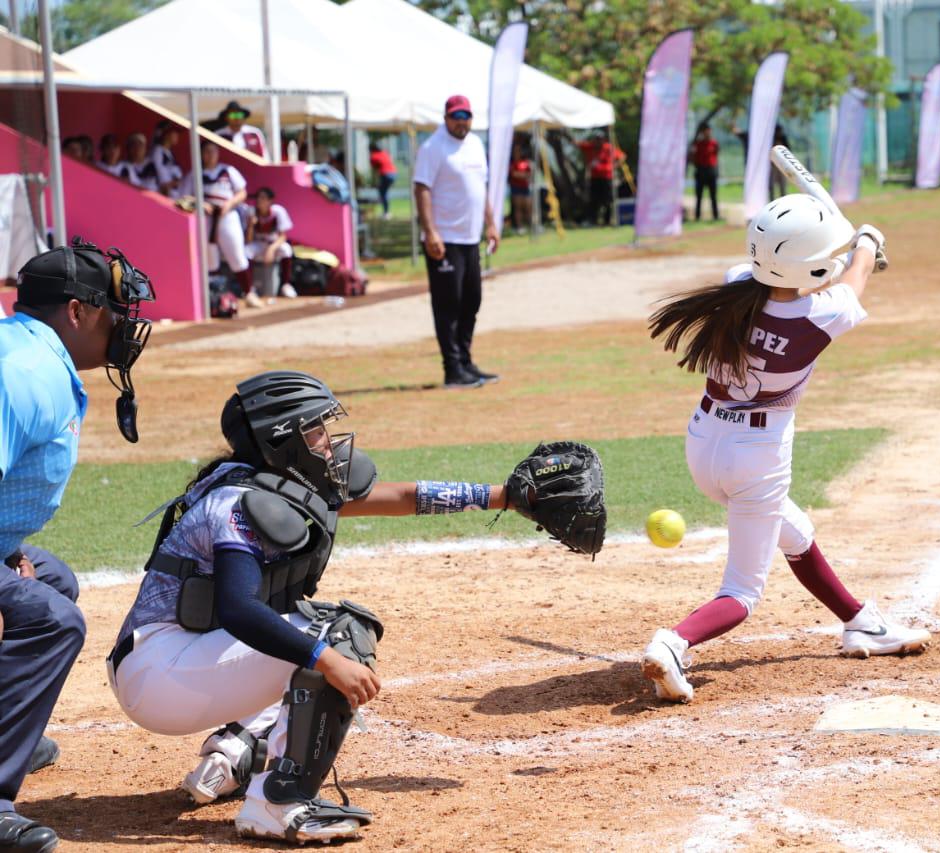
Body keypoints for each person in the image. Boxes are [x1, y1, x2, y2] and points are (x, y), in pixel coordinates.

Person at [107, 370, 595, 843]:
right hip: (163, 675)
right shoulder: (237, 503)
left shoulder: (280, 484)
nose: (328, 440)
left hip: (179, 664)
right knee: (337, 636)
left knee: (306, 631)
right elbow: (237, 610)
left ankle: (237, 750)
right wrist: (328, 658)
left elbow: (402, 497)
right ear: (282, 442)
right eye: (315, 431)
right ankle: (277, 805)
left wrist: (506, 497)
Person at [640, 196, 931, 704]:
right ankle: (673, 643)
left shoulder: (735, 287)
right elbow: (849, 277)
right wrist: (866, 241)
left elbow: (803, 274)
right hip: (756, 455)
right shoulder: (824, 313)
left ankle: (861, 622)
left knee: (794, 532)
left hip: (705, 444)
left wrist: (845, 253)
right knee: (743, 592)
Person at [1, 240, 155, 852]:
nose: (126, 326)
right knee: (51, 619)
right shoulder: (22, 373)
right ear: (76, 312)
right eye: (116, 311)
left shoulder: (27, 353)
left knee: (52, 578)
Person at [412, 94, 501, 389]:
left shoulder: (475, 144)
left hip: (469, 237)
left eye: (466, 116)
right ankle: (452, 369)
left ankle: (465, 361)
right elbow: (422, 189)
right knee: (448, 304)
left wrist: (491, 223)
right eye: (456, 116)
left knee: (471, 300)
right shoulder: (433, 147)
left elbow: (481, 188)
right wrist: (431, 231)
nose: (461, 122)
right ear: (446, 117)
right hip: (445, 238)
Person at [179, 140, 257, 307]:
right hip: (206, 218)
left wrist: (229, 204)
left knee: (236, 254)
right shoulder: (195, 174)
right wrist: (200, 203)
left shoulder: (227, 170)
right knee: (210, 259)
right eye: (206, 151)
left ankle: (249, 292)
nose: (210, 155)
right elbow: (184, 196)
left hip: (227, 216)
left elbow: (242, 192)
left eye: (213, 151)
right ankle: (214, 297)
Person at [244, 187, 295, 298]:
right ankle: (249, 288)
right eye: (258, 197)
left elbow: (283, 236)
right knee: (246, 251)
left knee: (286, 249)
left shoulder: (278, 211)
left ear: (270, 200)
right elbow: (248, 240)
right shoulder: (251, 212)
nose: (259, 200)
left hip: (274, 244)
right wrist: (251, 225)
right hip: (259, 244)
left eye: (263, 198)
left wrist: (271, 249)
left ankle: (286, 285)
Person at [577, 130, 623, 226]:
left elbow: (622, 156)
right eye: (596, 139)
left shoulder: (608, 148)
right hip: (594, 178)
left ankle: (607, 221)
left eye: (600, 139)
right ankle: (593, 220)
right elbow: (576, 144)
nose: (598, 141)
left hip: (607, 178)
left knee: (608, 200)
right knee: (594, 200)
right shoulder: (590, 147)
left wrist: (613, 166)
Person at [689, 123, 720, 221]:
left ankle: (715, 216)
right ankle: (697, 216)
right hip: (700, 170)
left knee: (713, 195)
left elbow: (716, 153)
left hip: (711, 170)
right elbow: (693, 157)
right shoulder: (697, 144)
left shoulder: (714, 143)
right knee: (699, 196)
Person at [149, 120, 185, 198]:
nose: (177, 135)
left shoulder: (168, 152)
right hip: (163, 197)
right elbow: (161, 182)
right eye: (173, 132)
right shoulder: (157, 151)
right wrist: (176, 183)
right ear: (165, 134)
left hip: (173, 196)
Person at [368, 141, 397, 220]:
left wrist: (373, 182)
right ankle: (386, 211)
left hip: (385, 174)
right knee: (383, 192)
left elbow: (374, 171)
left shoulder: (373, 156)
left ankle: (386, 212)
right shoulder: (385, 153)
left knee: (382, 193)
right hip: (393, 174)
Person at [508, 142, 533, 234]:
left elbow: (529, 174)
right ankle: (519, 227)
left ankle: (531, 226)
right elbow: (514, 174)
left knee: (528, 207)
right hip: (516, 187)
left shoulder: (525, 162)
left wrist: (521, 175)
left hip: (525, 187)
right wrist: (522, 175)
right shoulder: (512, 163)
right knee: (518, 208)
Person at [770, 125, 790, 199]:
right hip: (773, 164)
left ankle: (783, 198)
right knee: (771, 184)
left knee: (782, 184)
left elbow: (788, 150)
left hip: (782, 164)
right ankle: (772, 199)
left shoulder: (783, 138)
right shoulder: (771, 138)